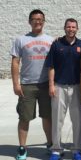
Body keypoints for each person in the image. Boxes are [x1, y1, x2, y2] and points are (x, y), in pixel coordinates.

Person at [11, 9, 53, 160]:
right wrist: (16, 84)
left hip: (45, 84)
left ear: (44, 21)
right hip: (27, 85)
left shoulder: (50, 40)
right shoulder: (21, 40)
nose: (37, 21)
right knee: (24, 117)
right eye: (34, 19)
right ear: (29, 21)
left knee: (47, 117)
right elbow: (15, 62)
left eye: (40, 19)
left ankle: (50, 144)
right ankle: (22, 148)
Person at [46, 18, 81, 160]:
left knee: (78, 120)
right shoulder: (56, 45)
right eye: (68, 27)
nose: (71, 29)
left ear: (77, 29)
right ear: (64, 28)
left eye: (73, 27)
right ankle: (56, 149)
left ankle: (77, 150)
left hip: (76, 87)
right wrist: (51, 85)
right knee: (57, 120)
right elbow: (51, 66)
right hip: (59, 86)